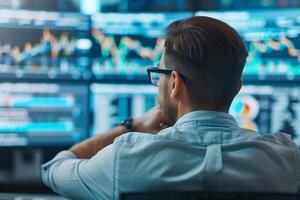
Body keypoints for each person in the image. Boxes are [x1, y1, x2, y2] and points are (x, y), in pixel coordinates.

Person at [41, 16, 300, 200]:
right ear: (237, 88)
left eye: (160, 75)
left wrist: (128, 127)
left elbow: (53, 169)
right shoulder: (287, 159)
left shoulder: (126, 158)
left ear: (174, 82)